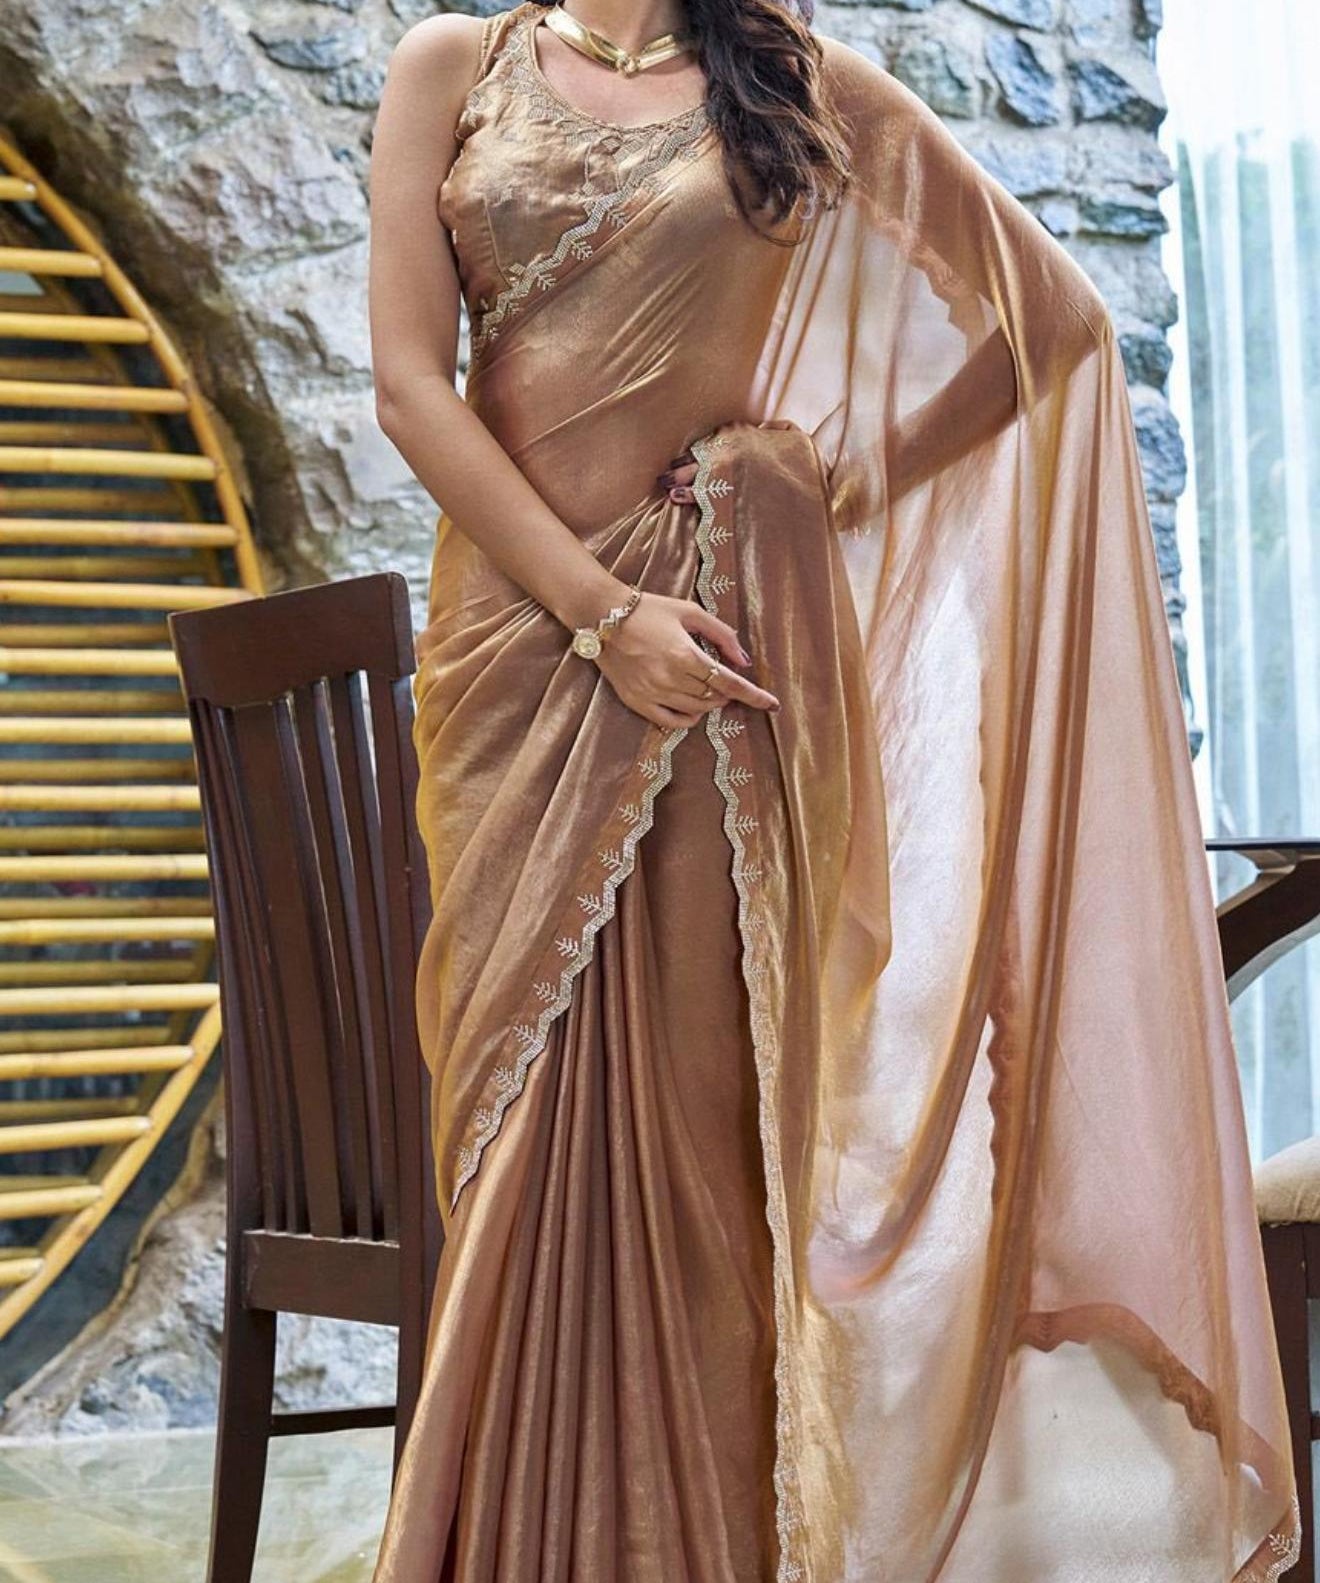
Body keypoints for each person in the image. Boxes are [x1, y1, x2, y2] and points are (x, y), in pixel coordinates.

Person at [366, 2, 1300, 1577]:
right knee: (522, 1130)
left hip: (721, 669)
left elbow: (1051, 325)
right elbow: (410, 385)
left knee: (695, 1143)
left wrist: (831, 485)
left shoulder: (791, 84)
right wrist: (597, 613)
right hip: (517, 664)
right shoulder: (451, 69)